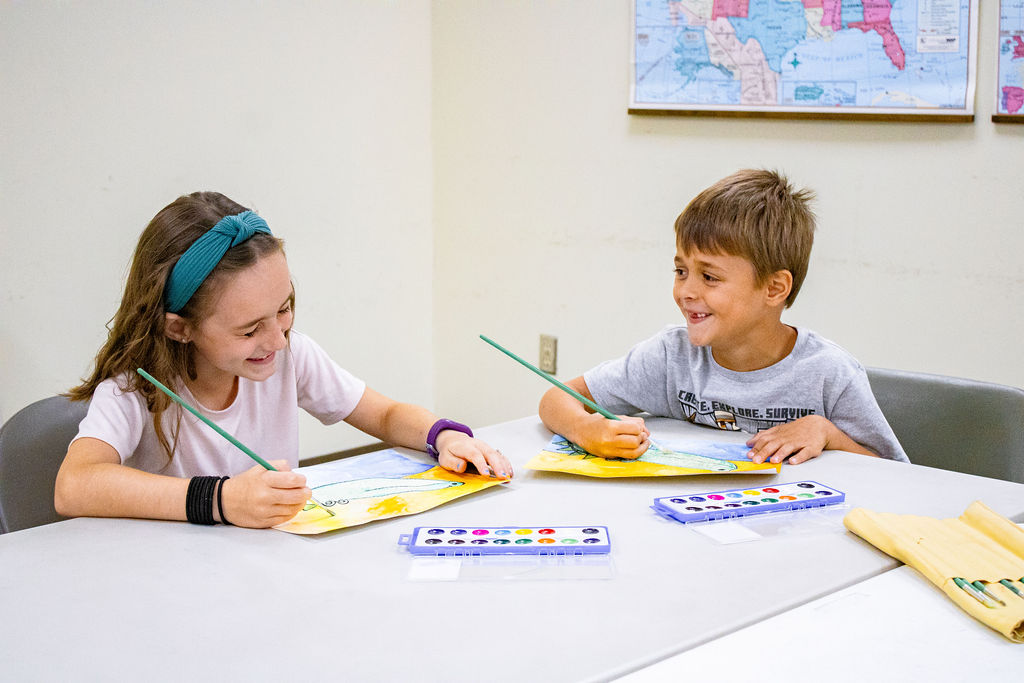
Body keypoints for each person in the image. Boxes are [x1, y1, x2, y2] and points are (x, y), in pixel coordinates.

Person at [55, 191, 512, 528]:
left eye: (283, 308)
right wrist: (221, 499)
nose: (276, 339)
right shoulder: (136, 391)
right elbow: (74, 485)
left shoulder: (290, 356)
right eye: (250, 329)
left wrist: (444, 436)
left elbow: (386, 414)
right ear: (180, 328)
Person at [538, 169, 908, 465]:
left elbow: (896, 476)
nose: (686, 291)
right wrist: (586, 429)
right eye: (680, 271)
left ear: (775, 288)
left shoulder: (829, 373)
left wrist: (827, 433)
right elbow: (556, 399)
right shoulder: (672, 357)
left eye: (710, 277)